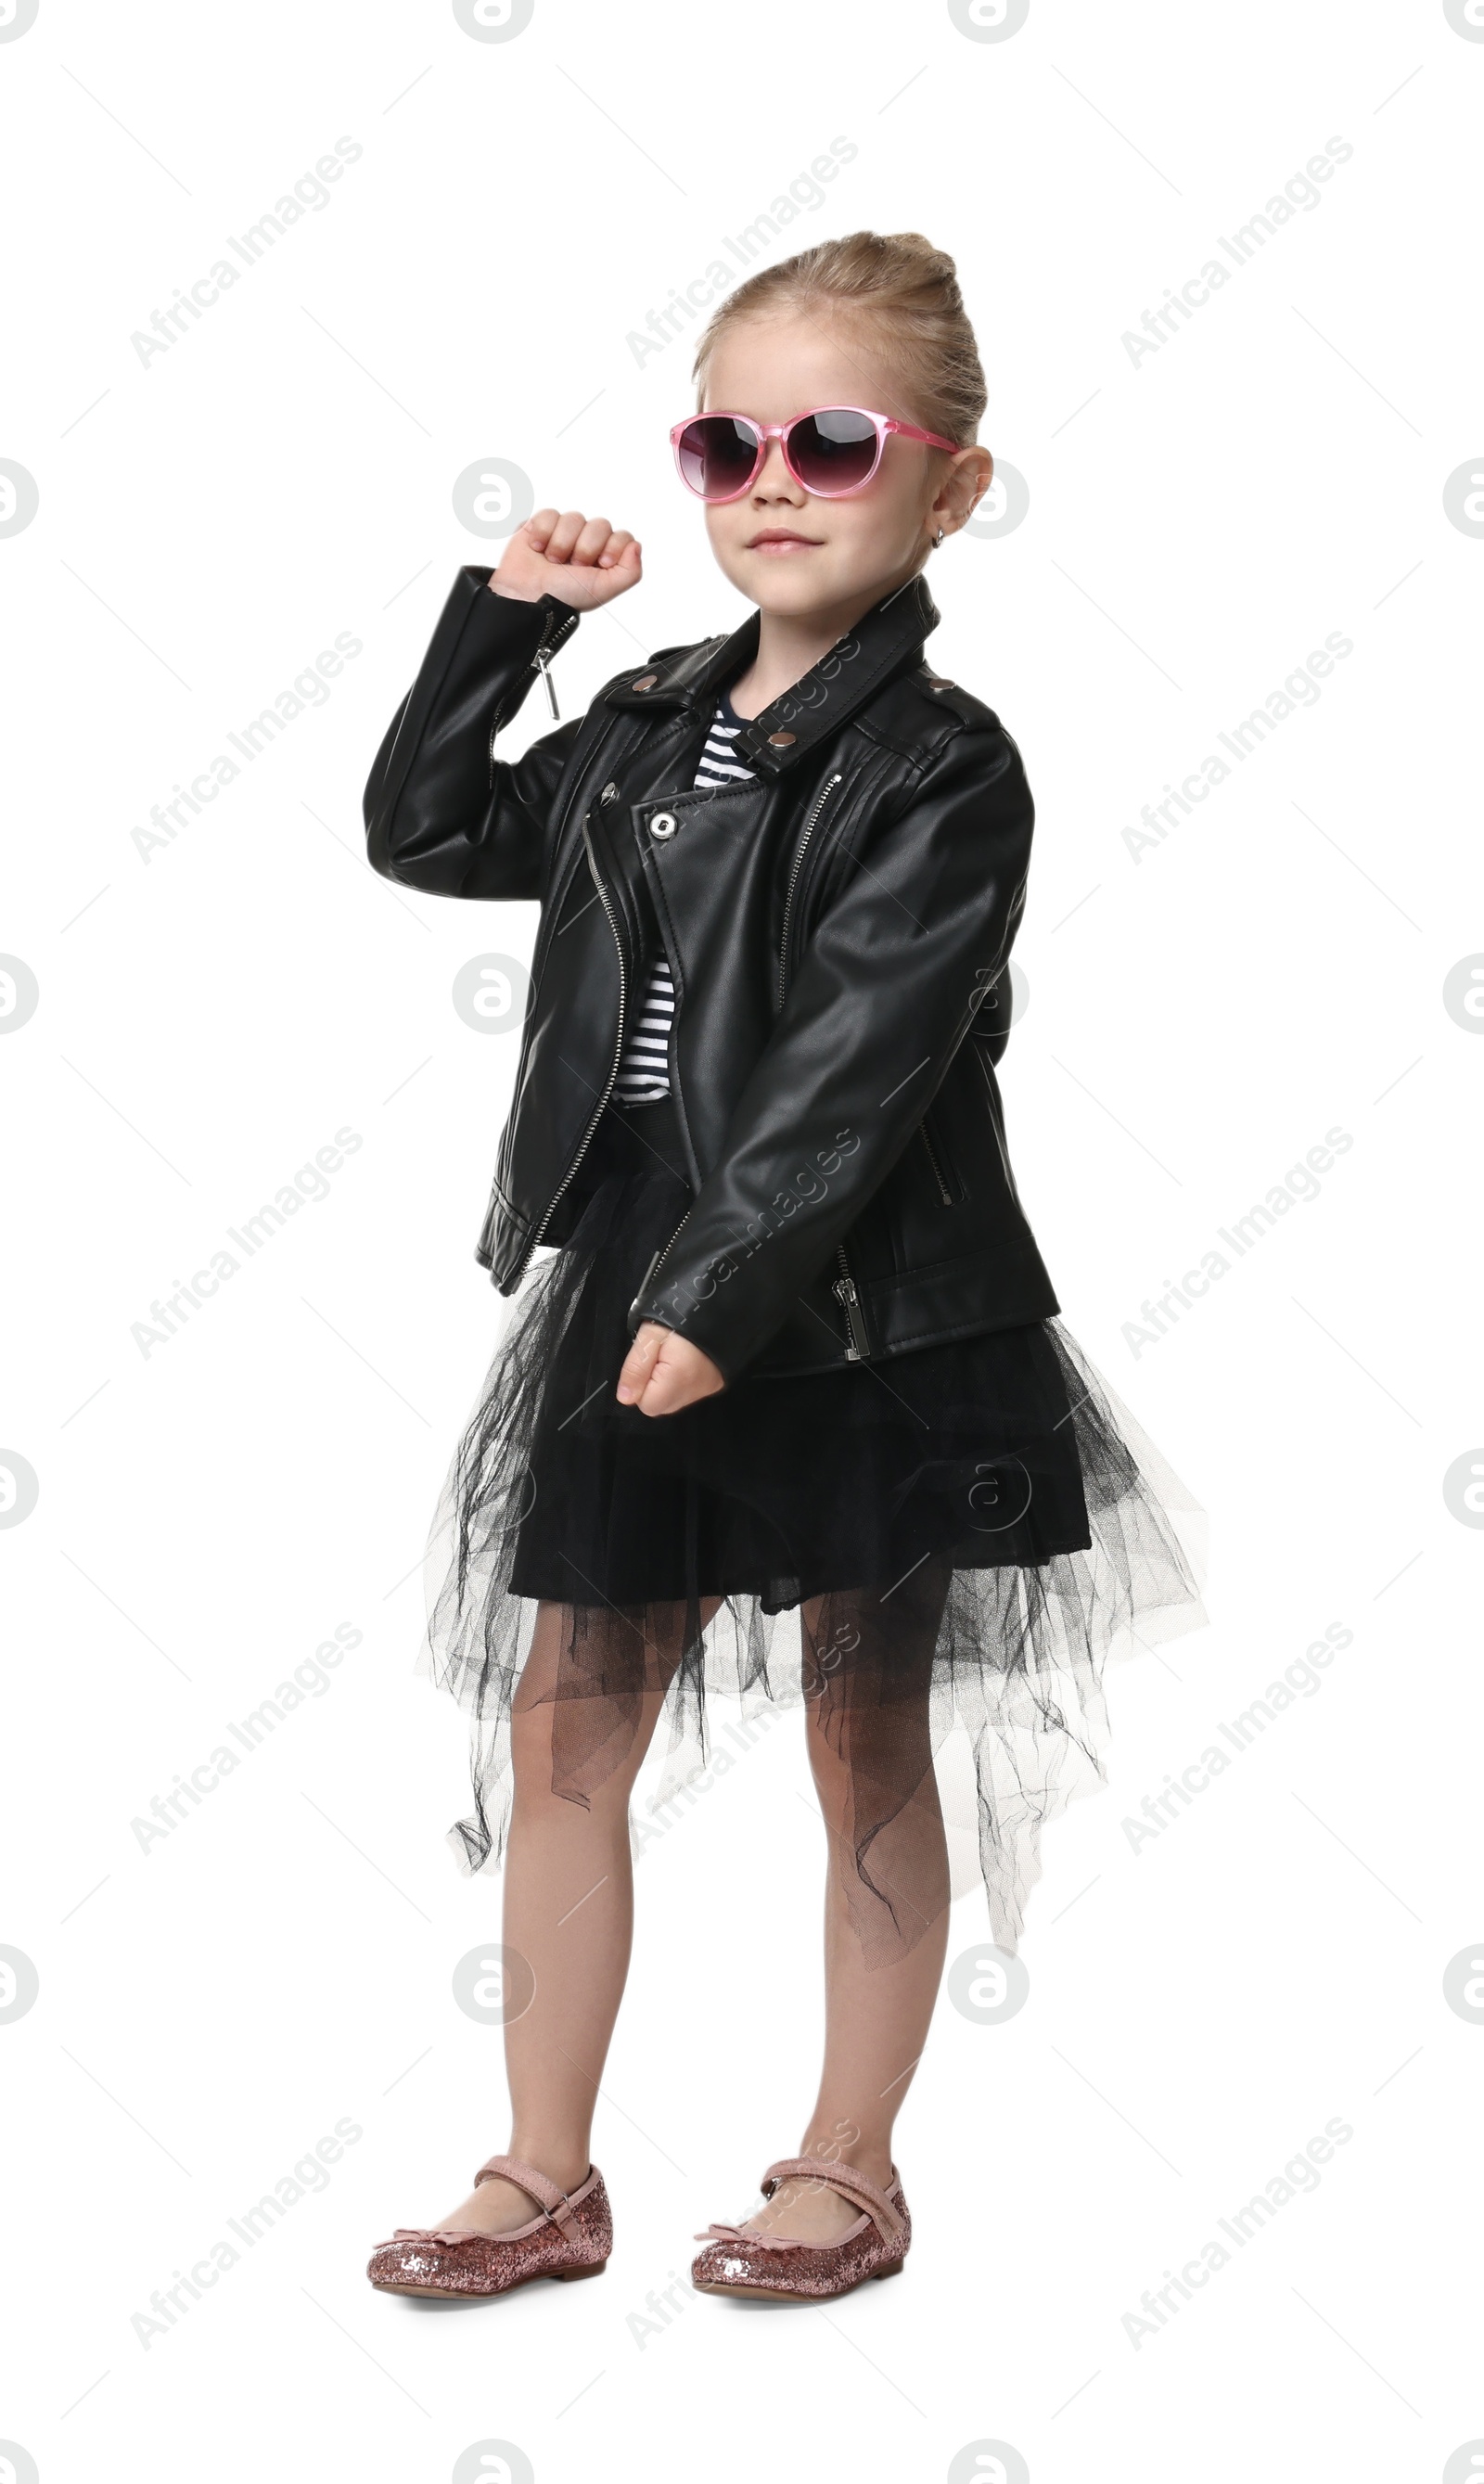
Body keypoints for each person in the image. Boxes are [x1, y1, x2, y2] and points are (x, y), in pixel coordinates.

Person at [360, 230, 1206, 2309]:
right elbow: (424, 829)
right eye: (724, 439)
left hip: (856, 1300)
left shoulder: (941, 764)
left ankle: (846, 2163)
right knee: (570, 1717)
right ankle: (540, 2170)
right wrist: (505, 631)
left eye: (831, 440)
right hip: (641, 1255)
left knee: (862, 1724)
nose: (768, 480)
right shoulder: (644, 725)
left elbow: (861, 1058)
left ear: (946, 485)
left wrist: (718, 1295)